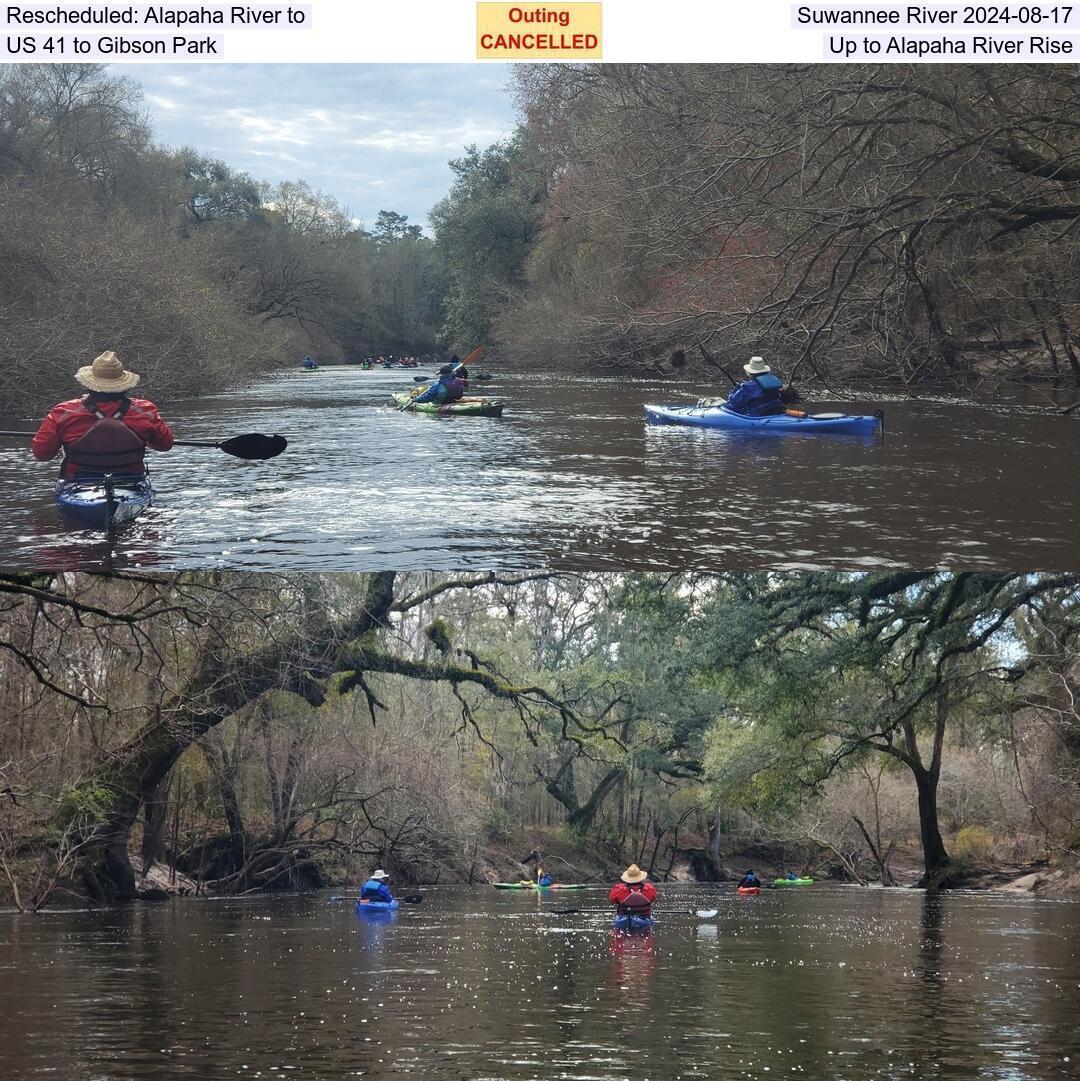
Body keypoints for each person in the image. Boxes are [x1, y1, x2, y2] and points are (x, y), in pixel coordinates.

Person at [31, 351, 174, 480]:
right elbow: (165, 445)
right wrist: (142, 437)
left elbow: (42, 454)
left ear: (89, 384)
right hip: (130, 481)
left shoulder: (63, 412)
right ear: (123, 384)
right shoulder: (146, 410)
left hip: (78, 482)